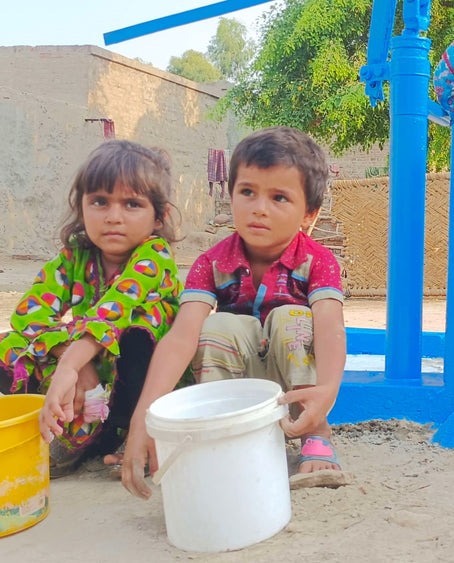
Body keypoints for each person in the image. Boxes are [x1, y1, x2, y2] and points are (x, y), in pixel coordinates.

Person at [118, 126, 347, 499]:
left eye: (279, 198)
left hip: (291, 382)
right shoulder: (211, 262)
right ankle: (223, 432)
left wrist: (328, 391)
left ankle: (315, 432)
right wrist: (144, 418)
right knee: (216, 324)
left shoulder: (316, 260)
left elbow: (330, 326)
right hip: (238, 384)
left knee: (293, 318)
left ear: (309, 214)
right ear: (231, 195)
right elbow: (180, 337)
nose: (259, 208)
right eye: (247, 192)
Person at [0, 140, 181, 476]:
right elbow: (29, 315)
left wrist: (71, 363)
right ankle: (65, 429)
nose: (113, 217)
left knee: (140, 330)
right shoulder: (74, 257)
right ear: (81, 206)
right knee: (8, 345)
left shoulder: (155, 257)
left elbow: (113, 310)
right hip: (92, 377)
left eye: (131, 204)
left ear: (159, 216)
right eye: (99, 201)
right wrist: (72, 359)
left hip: (136, 381)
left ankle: (129, 432)